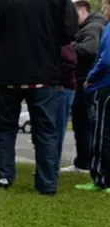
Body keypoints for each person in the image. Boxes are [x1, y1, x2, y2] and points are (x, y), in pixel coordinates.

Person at [0, 0, 78, 195]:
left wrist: (7, 36)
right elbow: (70, 29)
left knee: (5, 128)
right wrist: (49, 36)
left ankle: (4, 176)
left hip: (9, 71)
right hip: (44, 71)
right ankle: (47, 183)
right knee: (46, 130)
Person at [62, 0, 107, 174]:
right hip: (88, 81)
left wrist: (69, 46)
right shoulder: (93, 27)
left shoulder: (93, 28)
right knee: (85, 123)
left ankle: (84, 162)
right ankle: (84, 161)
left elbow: (90, 50)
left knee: (84, 124)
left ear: (82, 10)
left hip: (87, 82)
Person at [76, 3, 110, 193]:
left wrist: (91, 78)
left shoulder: (108, 28)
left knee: (101, 133)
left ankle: (101, 179)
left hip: (105, 85)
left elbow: (105, 60)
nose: (104, 10)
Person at [56, 44, 78, 172]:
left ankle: (52, 165)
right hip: (62, 86)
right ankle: (51, 165)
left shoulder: (62, 42)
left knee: (56, 129)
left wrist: (58, 79)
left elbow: (70, 60)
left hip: (63, 87)